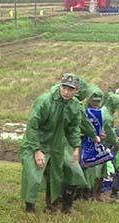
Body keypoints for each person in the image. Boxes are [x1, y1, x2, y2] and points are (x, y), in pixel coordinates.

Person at [21, 74, 86, 214]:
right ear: (60, 86)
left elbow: (73, 128)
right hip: (36, 141)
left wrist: (76, 146)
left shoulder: (75, 106)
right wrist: (36, 150)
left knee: (56, 174)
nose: (66, 92)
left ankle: (52, 205)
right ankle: (29, 208)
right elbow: (33, 126)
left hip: (56, 144)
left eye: (71, 89)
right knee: (34, 174)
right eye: (64, 87)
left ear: (77, 91)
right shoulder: (45, 101)